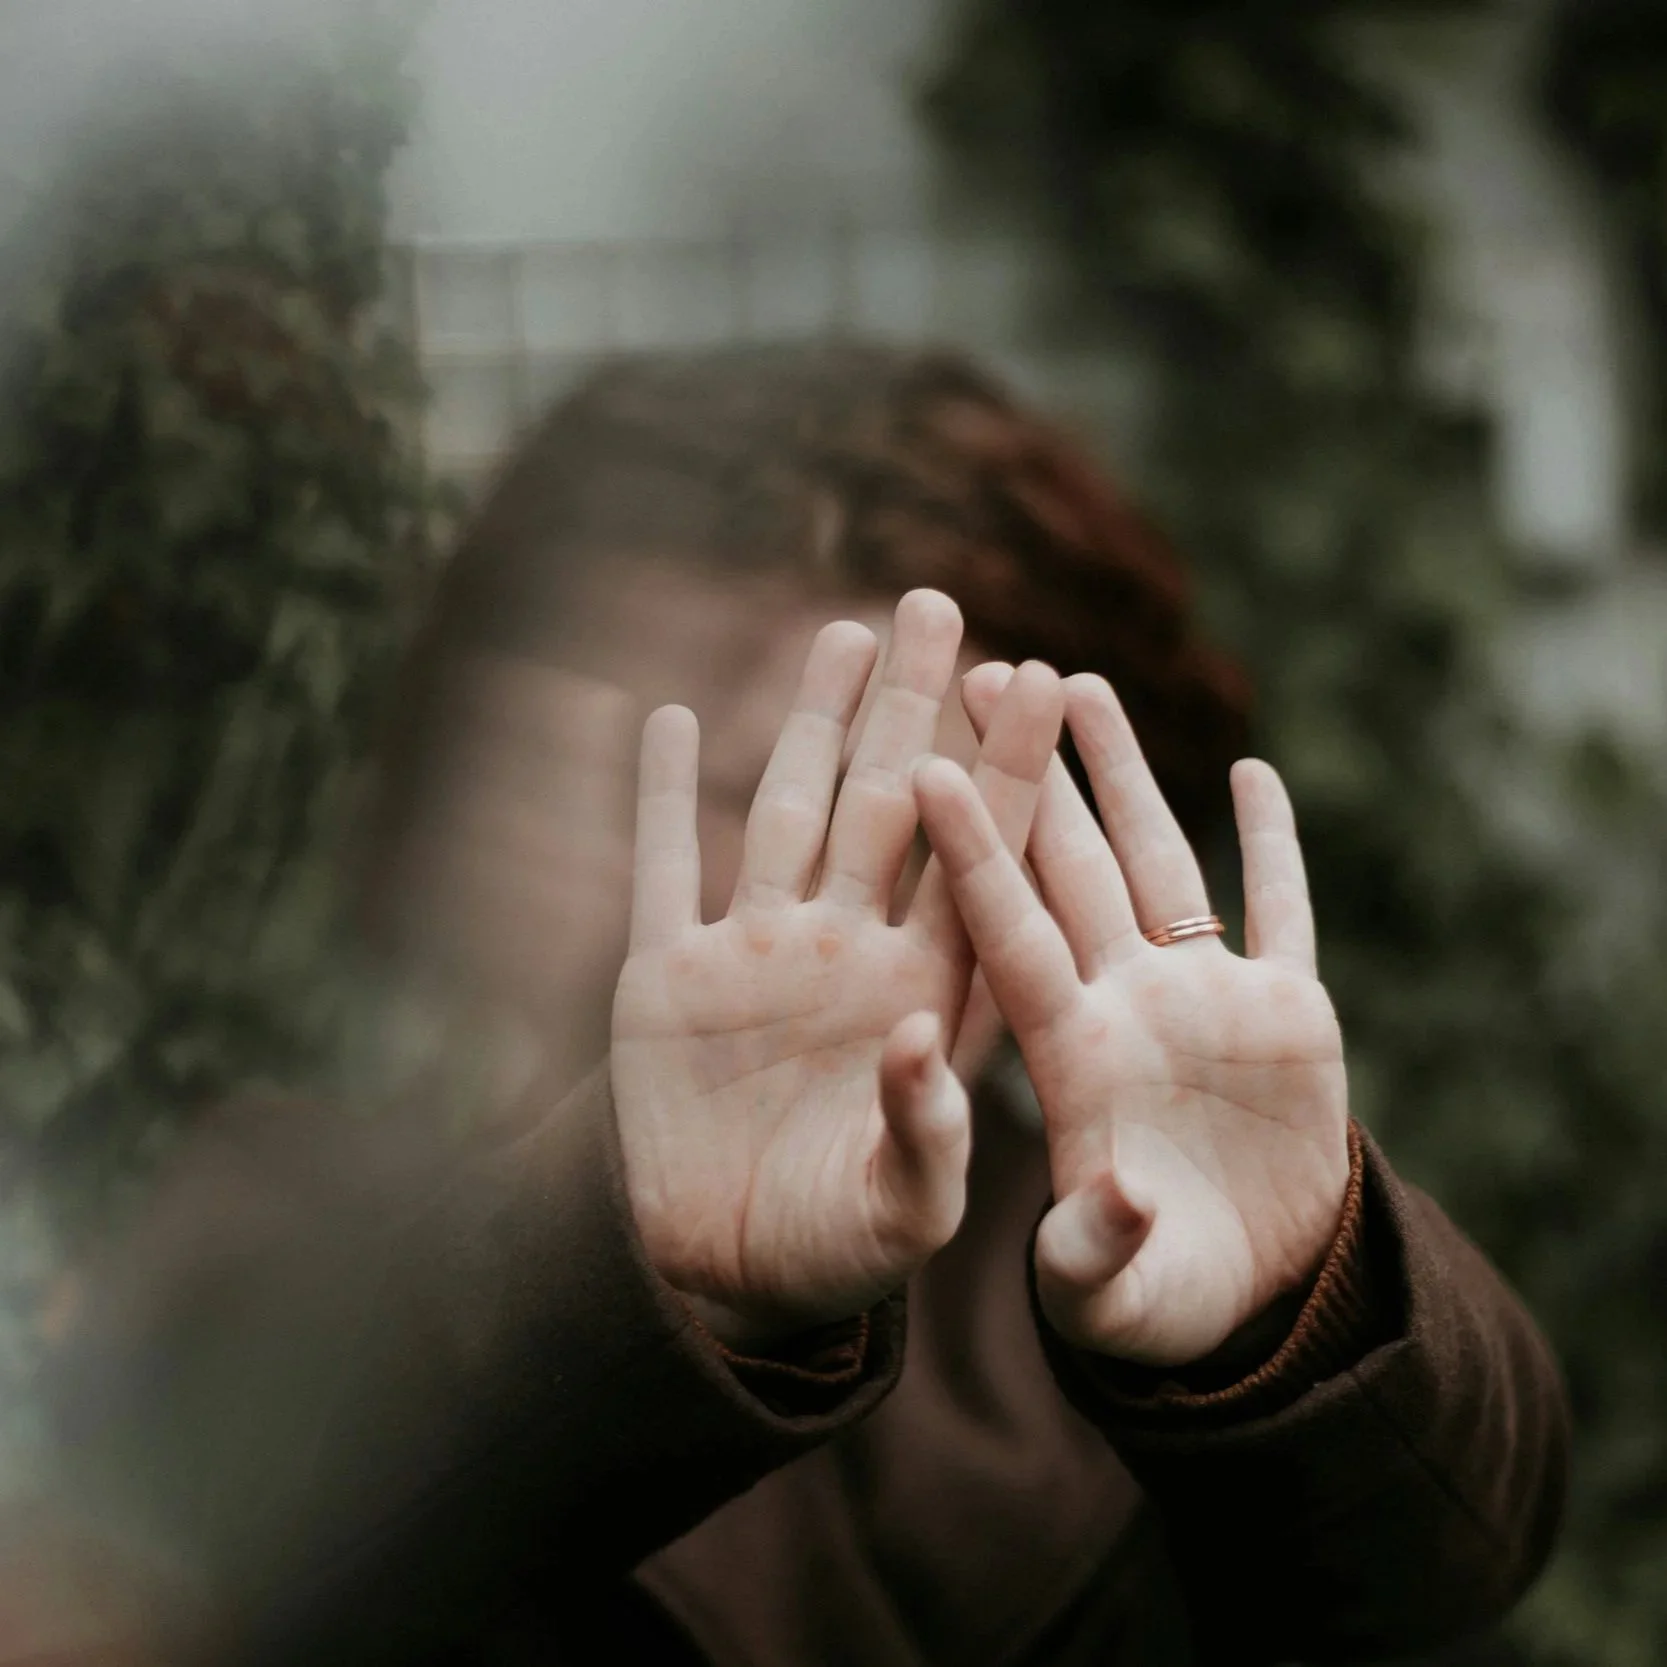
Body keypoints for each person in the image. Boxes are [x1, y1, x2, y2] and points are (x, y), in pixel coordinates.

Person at [42, 343, 1567, 1667]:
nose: (830, 906)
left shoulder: (1127, 1270)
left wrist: (1300, 1312)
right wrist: (645, 1266)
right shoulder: (278, 1220)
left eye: (934, 813)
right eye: (730, 786)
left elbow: (1446, 1558)